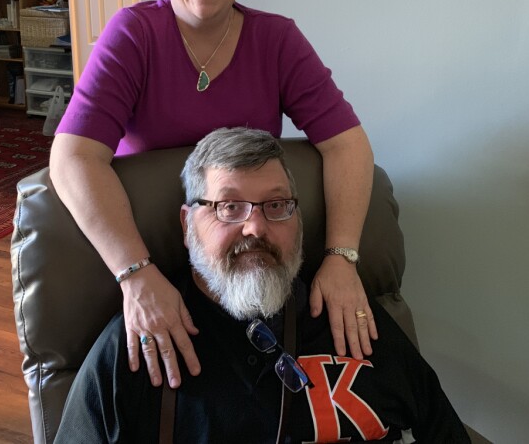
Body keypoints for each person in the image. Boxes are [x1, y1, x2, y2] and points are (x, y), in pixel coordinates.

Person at [50, 0, 378, 389]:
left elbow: (347, 144)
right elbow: (72, 158)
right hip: (150, 258)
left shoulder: (277, 40)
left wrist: (341, 257)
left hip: (246, 256)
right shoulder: (132, 34)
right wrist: (136, 273)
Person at [55, 128, 469, 444]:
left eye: (276, 205)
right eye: (229, 206)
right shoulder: (138, 345)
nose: (255, 227)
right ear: (187, 225)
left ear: (298, 221)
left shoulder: (351, 316)